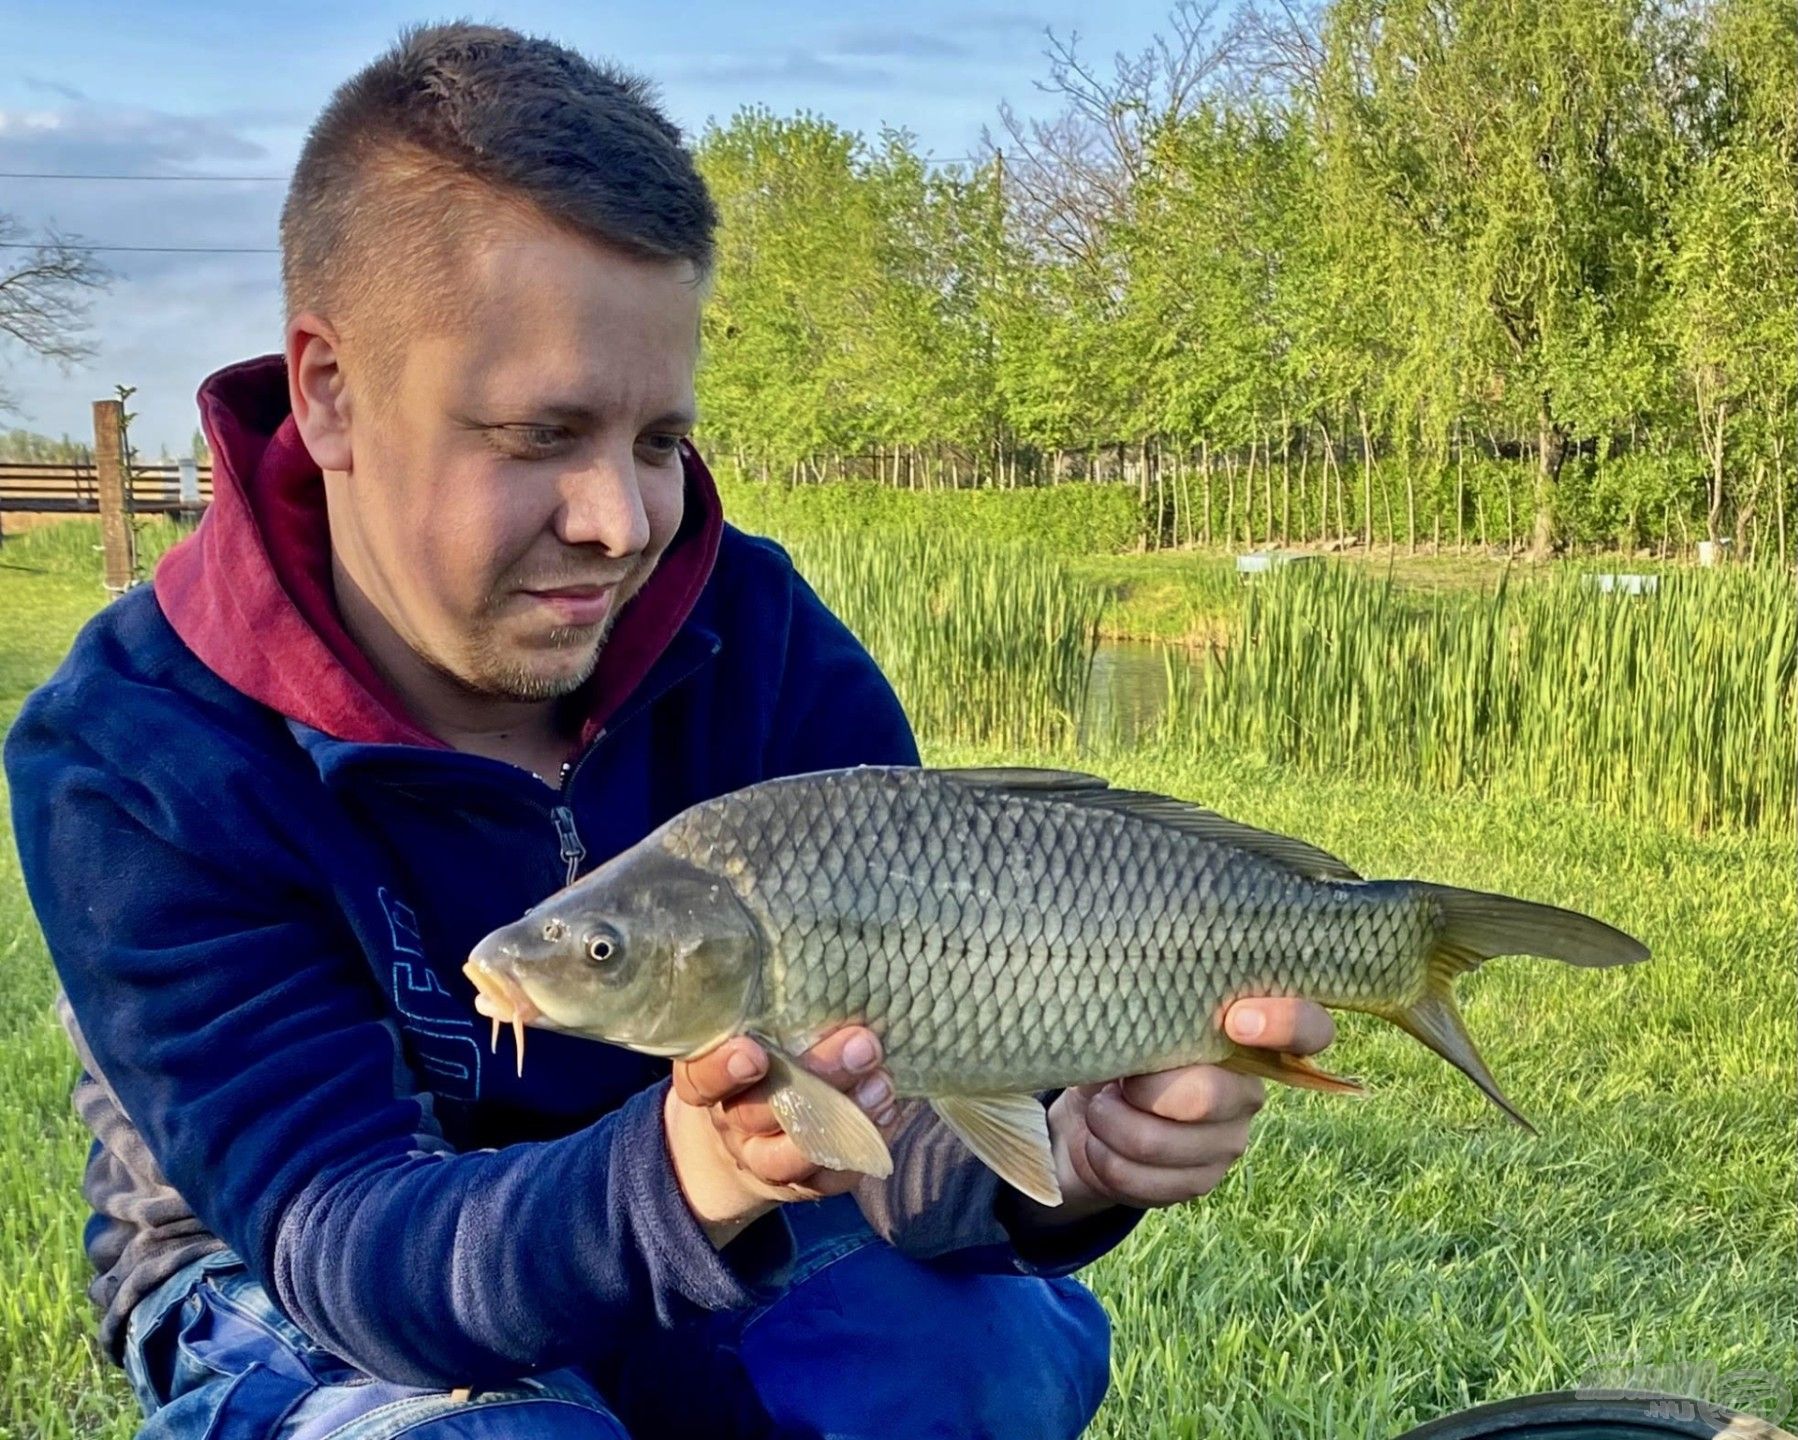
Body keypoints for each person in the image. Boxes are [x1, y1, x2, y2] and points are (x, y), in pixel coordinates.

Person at [4, 23, 1336, 1440]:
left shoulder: (755, 640)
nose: (620, 523)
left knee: (982, 1366)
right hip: (303, 1275)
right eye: (538, 435)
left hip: (733, 1199)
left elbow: (883, 1118)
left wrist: (1058, 1158)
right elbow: (346, 1240)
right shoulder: (137, 756)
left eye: (656, 442)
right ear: (331, 391)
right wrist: (683, 1168)